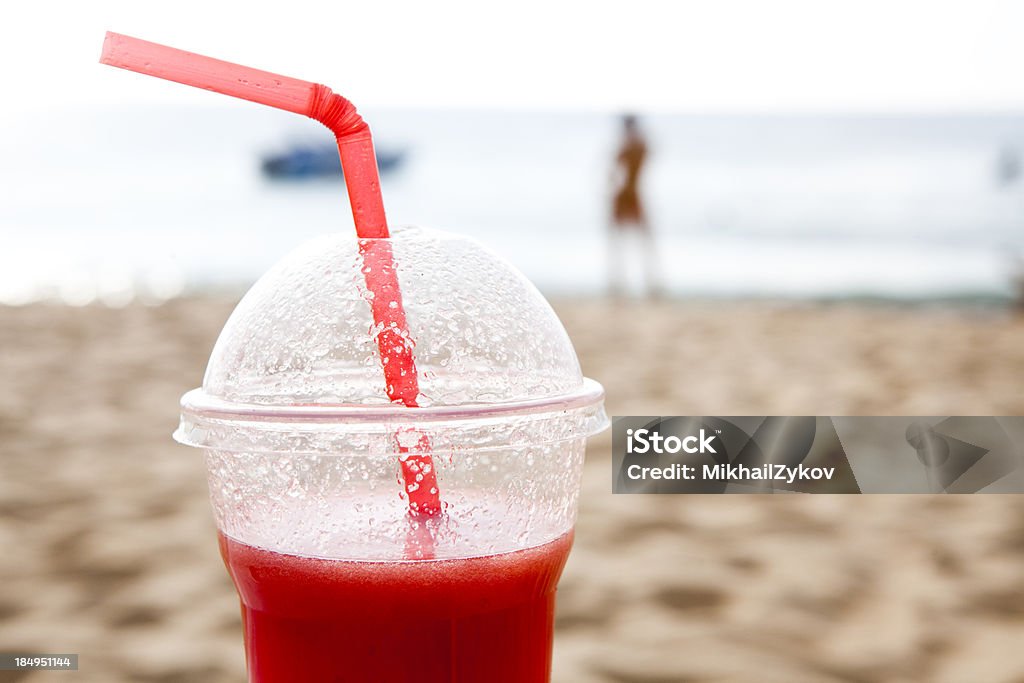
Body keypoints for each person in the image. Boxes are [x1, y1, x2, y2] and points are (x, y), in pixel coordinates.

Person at [608, 114, 661, 297]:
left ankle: (619, 285)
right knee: (644, 242)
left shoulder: (628, 146)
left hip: (625, 195)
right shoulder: (642, 145)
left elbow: (613, 171)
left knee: (620, 242)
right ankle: (651, 284)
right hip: (636, 193)